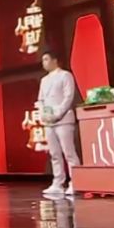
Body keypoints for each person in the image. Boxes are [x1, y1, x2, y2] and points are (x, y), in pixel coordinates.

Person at [37, 50, 80, 196]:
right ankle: (58, 182)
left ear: (54, 60)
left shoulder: (65, 75)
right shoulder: (44, 80)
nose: (44, 63)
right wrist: (43, 113)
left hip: (63, 120)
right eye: (43, 60)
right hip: (49, 121)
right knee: (54, 153)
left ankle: (75, 182)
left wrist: (57, 114)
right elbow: (41, 99)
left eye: (46, 59)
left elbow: (68, 97)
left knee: (69, 152)